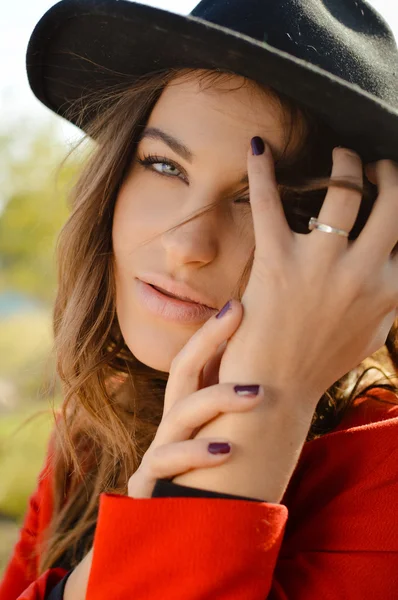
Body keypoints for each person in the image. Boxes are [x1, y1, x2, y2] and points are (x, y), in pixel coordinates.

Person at [1, 0, 398, 597]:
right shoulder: (89, 434)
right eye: (163, 165)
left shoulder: (383, 469)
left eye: (262, 200)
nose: (187, 245)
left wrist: (268, 411)